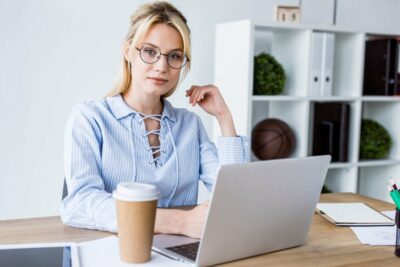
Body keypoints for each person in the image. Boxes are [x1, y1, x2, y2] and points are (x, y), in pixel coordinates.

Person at [60, 1, 250, 239]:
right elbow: (80, 202)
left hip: (182, 254)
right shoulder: (90, 118)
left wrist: (224, 117)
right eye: (150, 51)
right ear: (128, 50)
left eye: (174, 56)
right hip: (118, 252)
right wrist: (180, 222)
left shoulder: (190, 125)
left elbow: (235, 199)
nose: (162, 66)